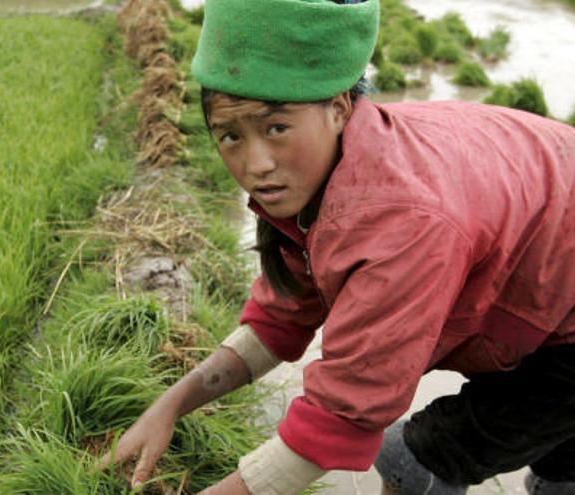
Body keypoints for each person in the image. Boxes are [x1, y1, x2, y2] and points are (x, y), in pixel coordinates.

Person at [98, 0, 575, 493]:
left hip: (564, 316)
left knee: (419, 457)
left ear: (339, 108)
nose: (255, 164)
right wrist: (168, 406)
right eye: (230, 135)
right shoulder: (333, 170)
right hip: (552, 285)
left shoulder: (401, 222)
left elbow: (340, 418)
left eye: (276, 128)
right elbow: (283, 315)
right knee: (562, 461)